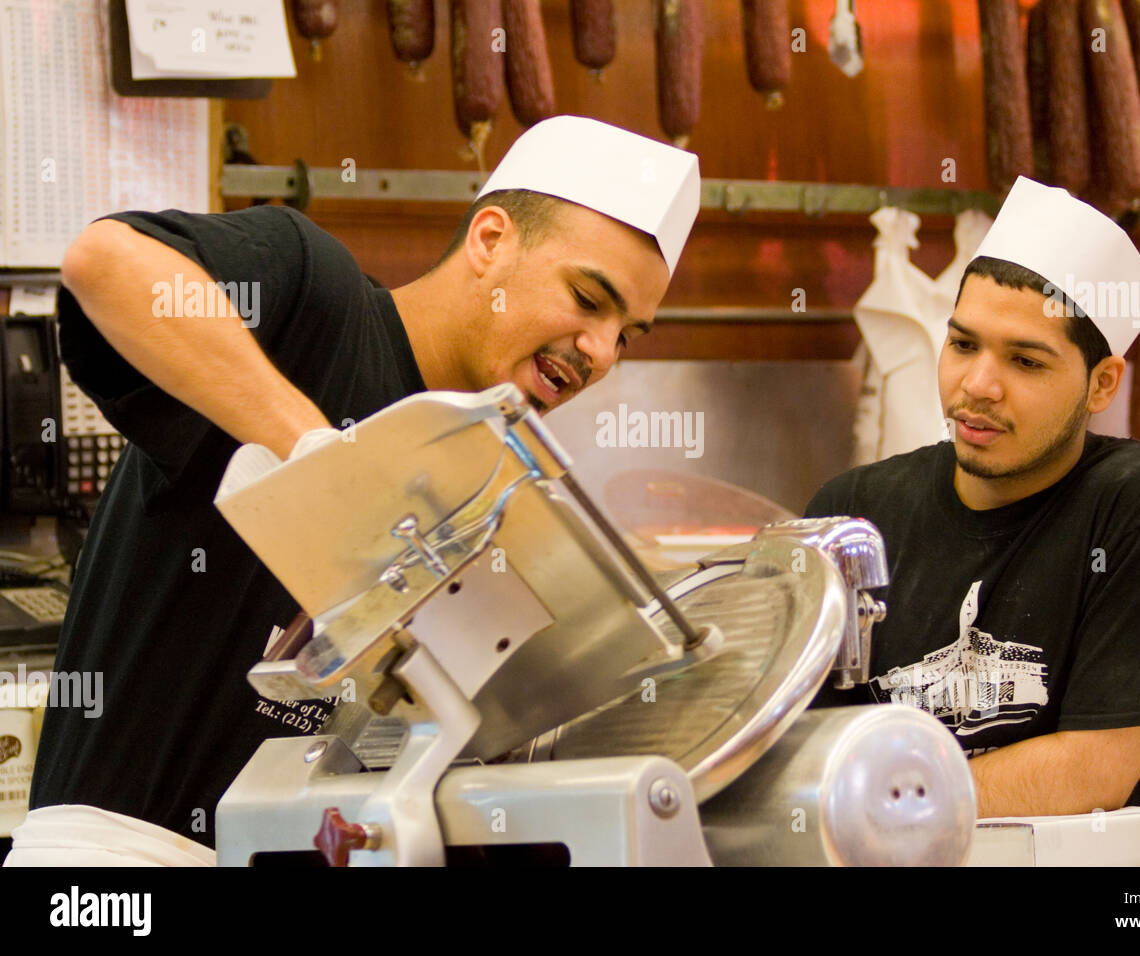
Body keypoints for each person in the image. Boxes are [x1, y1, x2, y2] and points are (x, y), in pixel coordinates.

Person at [9, 116, 701, 866]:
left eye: (628, 334)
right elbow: (108, 261)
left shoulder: (495, 491)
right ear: (491, 240)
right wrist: (318, 455)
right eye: (588, 298)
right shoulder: (316, 301)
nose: (600, 352)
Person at [806, 176, 1140, 817]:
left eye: (1026, 362)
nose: (978, 385)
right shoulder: (855, 510)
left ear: (1102, 384)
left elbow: (1089, 774)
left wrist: (877, 805)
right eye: (963, 344)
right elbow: (803, 745)